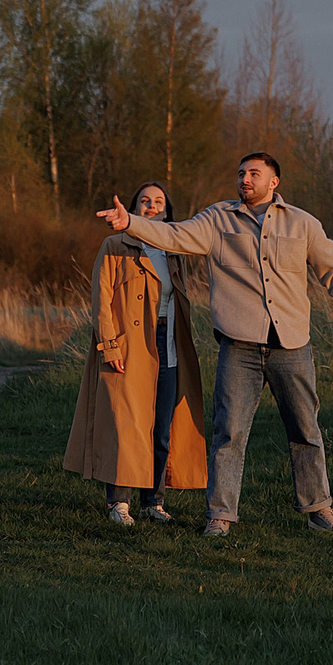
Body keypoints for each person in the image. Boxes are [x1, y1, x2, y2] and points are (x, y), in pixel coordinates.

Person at [97, 152, 333, 538]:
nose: (245, 179)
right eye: (242, 173)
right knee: (228, 434)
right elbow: (174, 235)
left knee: (306, 432)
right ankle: (220, 516)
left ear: (273, 182)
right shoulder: (217, 219)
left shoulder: (303, 223)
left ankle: (319, 510)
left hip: (292, 347)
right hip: (238, 348)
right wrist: (131, 222)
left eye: (254, 174)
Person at [64, 182, 210, 526]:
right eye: (144, 201)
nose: (151, 206)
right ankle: (119, 503)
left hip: (168, 343)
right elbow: (101, 300)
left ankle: (152, 503)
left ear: (167, 212)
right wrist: (109, 345)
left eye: (158, 202)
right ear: (132, 209)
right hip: (130, 345)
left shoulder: (175, 250)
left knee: (161, 429)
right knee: (126, 427)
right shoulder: (116, 245)